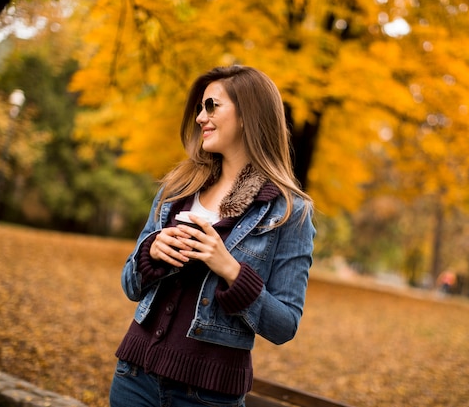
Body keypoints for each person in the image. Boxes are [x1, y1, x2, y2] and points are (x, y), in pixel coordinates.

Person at [109, 65, 316, 407]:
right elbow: (130, 286)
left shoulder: (289, 213)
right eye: (200, 108)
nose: (200, 118)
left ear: (248, 114)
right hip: (135, 377)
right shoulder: (178, 188)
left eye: (212, 106)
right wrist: (151, 252)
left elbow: (284, 325)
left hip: (208, 397)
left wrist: (231, 270)